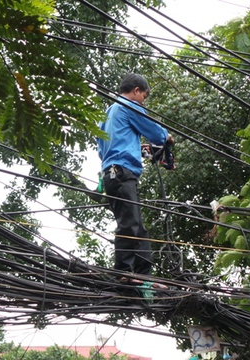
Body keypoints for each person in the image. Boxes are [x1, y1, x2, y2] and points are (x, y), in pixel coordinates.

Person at [97, 73, 173, 283]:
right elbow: (155, 132)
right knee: (130, 224)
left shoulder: (108, 113)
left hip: (113, 174)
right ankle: (123, 271)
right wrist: (166, 136)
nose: (143, 102)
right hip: (123, 172)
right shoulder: (129, 106)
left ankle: (142, 275)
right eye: (144, 96)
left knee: (137, 225)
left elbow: (106, 148)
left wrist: (137, 149)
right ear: (136, 91)